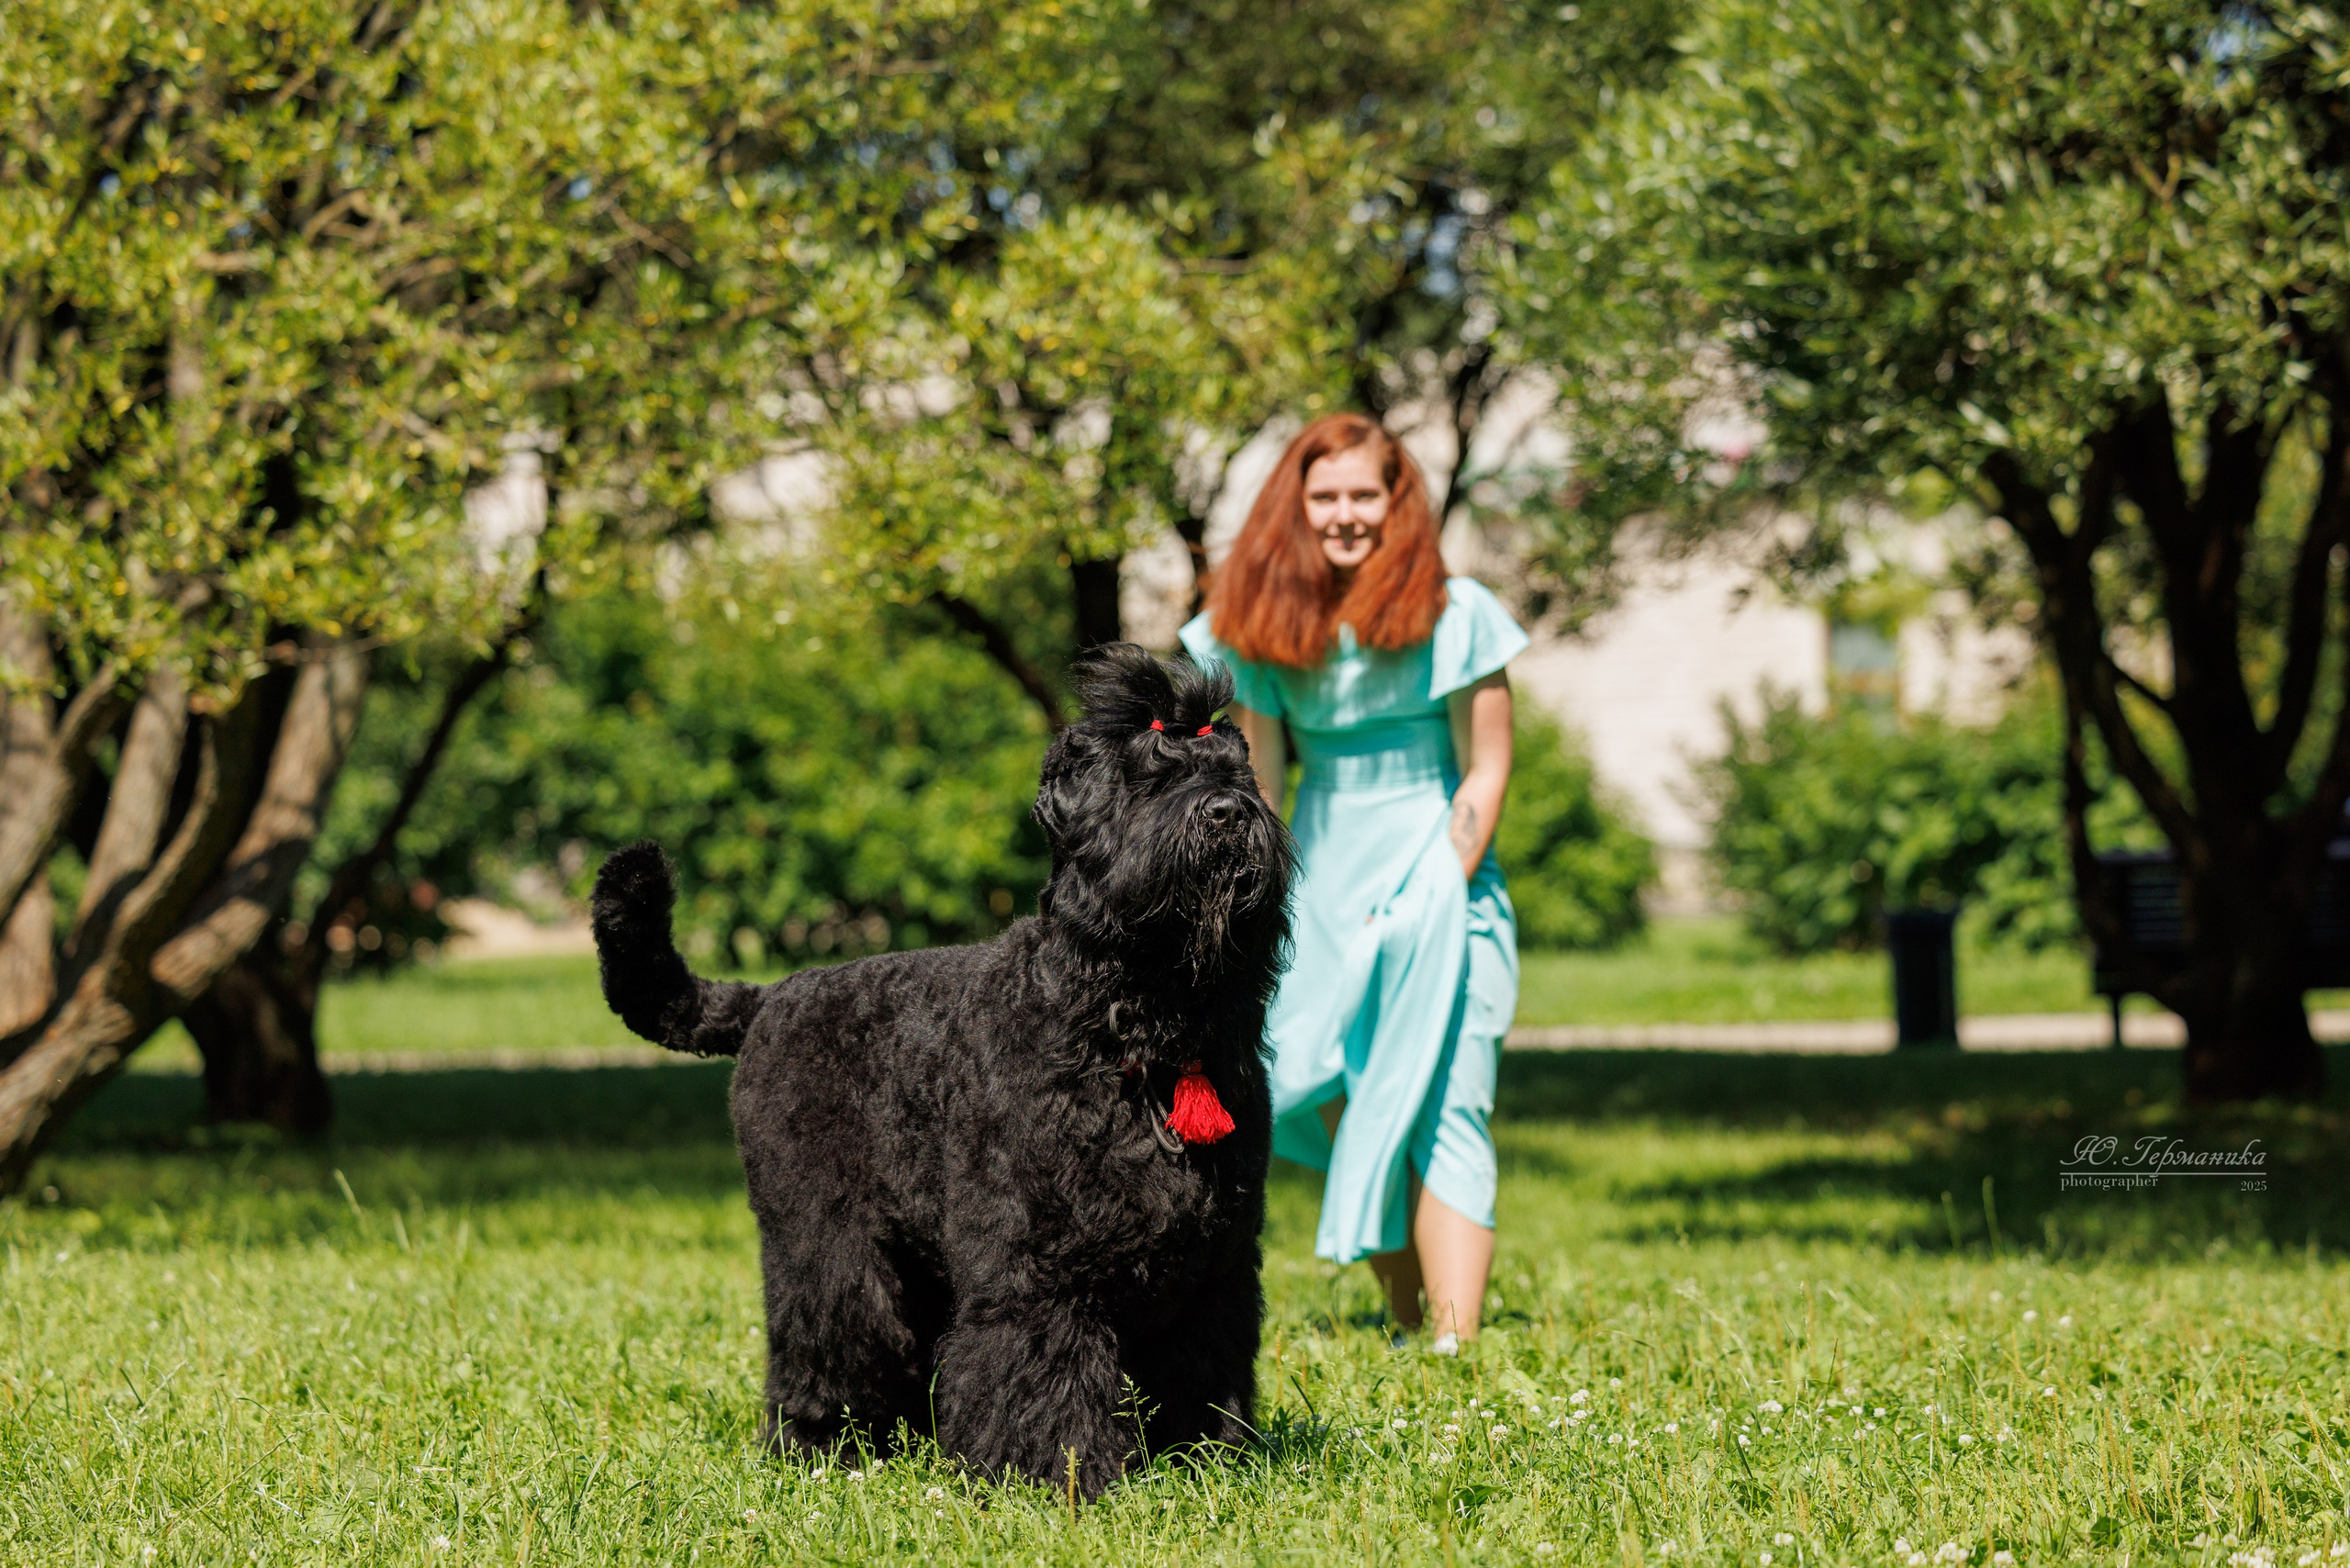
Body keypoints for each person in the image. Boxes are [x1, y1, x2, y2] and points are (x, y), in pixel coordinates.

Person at [1180, 412, 1526, 1352]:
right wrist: (1248, 902)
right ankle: (1410, 1316)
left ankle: (1453, 1349)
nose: (1344, 515)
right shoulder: (1260, 627)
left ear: (1396, 499)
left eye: (1363, 494)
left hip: (1441, 877)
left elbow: (1484, 768)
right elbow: (1264, 778)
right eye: (1324, 495)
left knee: (1449, 1096)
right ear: (1297, 505)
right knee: (1320, 1086)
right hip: (1323, 883)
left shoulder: (1459, 615)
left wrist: (1437, 886)